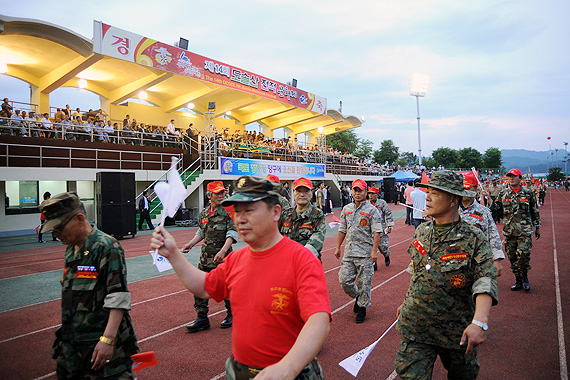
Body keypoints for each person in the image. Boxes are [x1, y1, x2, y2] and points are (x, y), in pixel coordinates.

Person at [150, 176, 330, 379]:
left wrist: (287, 367)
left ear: (276, 213)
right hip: (239, 371)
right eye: (237, 211)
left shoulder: (301, 259)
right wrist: (173, 254)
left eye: (250, 210)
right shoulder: (236, 259)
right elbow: (203, 287)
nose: (240, 219)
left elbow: (319, 319)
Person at [395, 171, 498, 380]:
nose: (428, 197)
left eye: (435, 193)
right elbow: (418, 270)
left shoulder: (473, 237)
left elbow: (485, 280)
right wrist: (407, 301)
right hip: (416, 327)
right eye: (428, 191)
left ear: (453, 200)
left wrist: (479, 322)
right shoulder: (422, 231)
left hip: (455, 331)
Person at [40, 192, 139, 379]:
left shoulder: (107, 247)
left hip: (99, 346)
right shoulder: (71, 248)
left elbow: (117, 296)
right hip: (72, 347)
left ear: (79, 219)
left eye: (59, 227)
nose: (55, 233)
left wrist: (107, 340)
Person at [181, 181, 238, 332]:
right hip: (206, 257)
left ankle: (232, 314)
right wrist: (191, 244)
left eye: (222, 193)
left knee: (226, 287)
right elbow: (201, 232)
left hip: (223, 257)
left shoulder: (228, 211)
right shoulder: (204, 213)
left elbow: (232, 233)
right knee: (199, 285)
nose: (220, 195)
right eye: (217, 193)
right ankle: (202, 318)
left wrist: (223, 251)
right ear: (209, 195)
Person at [335, 179, 382, 323]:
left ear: (365, 192)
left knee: (364, 283)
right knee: (344, 280)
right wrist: (338, 247)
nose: (357, 193)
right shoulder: (346, 209)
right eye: (355, 190)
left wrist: (374, 251)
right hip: (349, 253)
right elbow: (342, 229)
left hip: (365, 254)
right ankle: (358, 297)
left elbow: (377, 231)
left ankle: (362, 307)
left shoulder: (372, 210)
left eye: (360, 190)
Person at [492, 168, 541, 292]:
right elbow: (496, 211)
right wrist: (489, 199)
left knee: (523, 255)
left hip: (524, 231)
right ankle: (518, 280)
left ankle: (525, 278)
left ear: (520, 178)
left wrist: (537, 227)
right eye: (509, 176)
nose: (511, 178)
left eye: (514, 176)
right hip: (509, 231)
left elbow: (534, 211)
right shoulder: (503, 193)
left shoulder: (528, 193)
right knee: (513, 258)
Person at [460, 172, 505, 277]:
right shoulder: (451, 209)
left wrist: (497, 259)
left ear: (476, 190)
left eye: (468, 189)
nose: (464, 192)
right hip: (454, 260)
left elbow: (493, 234)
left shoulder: (483, 212)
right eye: (462, 189)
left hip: (477, 261)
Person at [280, 177, 326, 260]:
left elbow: (317, 238)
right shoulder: (286, 214)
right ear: (293, 193)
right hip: (286, 261)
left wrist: (299, 258)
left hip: (308, 261)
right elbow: (277, 236)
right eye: (299, 191)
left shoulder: (317, 214)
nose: (302, 194)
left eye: (306, 191)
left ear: (311, 193)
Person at [367, 186, 394, 268]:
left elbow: (388, 213)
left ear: (377, 194)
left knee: (383, 247)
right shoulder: (366, 204)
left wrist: (389, 225)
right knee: (370, 247)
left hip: (380, 229)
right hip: (369, 230)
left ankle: (386, 255)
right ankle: (374, 263)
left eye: (373, 194)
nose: (371, 196)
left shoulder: (382, 203)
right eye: (369, 194)